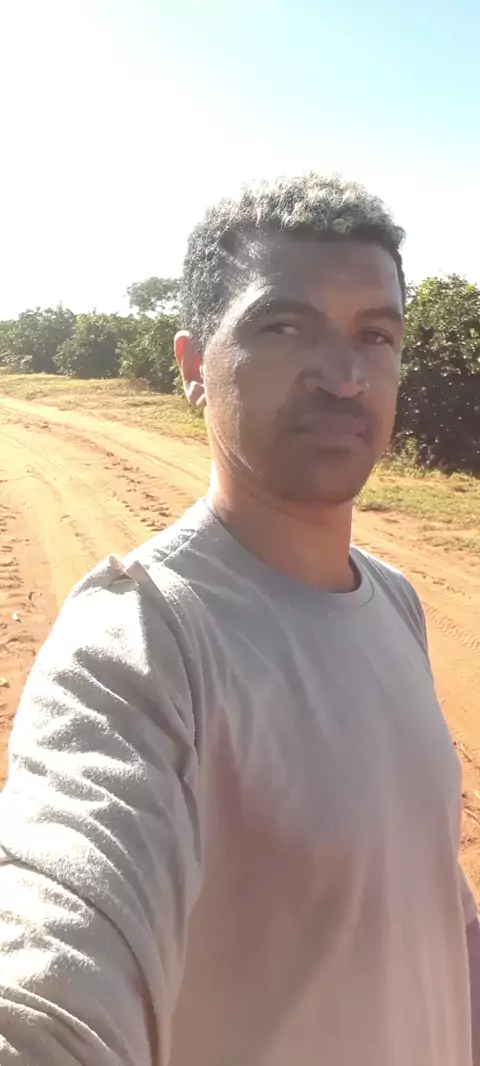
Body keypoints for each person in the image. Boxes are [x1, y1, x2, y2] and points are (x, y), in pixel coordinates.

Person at [0, 173, 478, 1066]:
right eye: (284, 327)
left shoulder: (396, 603)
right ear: (193, 366)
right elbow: (54, 970)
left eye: (375, 336)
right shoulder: (140, 642)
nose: (344, 377)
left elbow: (425, 895)